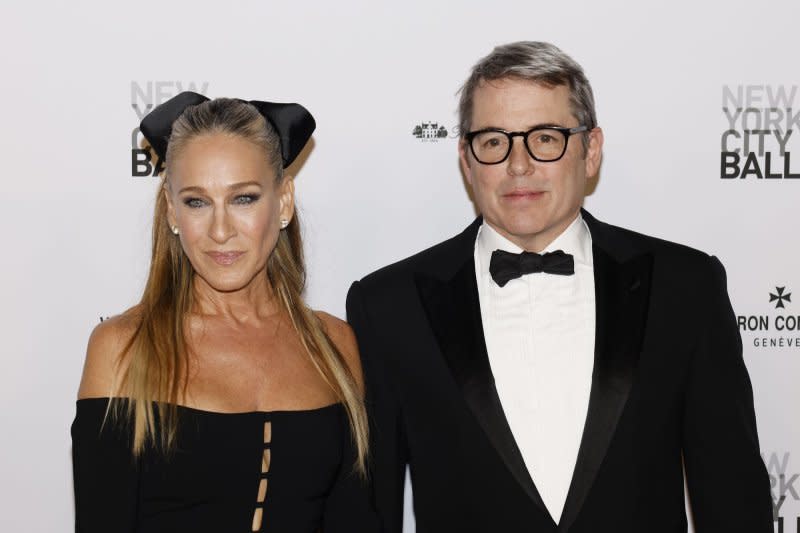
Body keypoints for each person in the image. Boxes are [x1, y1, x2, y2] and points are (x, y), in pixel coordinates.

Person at [346, 41, 773, 532]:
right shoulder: (389, 307)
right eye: (493, 141)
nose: (519, 165)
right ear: (466, 160)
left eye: (545, 138)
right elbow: (369, 511)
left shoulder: (685, 288)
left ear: (590, 151)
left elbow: (733, 497)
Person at [73, 92, 378, 533]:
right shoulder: (123, 349)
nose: (220, 231)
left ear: (284, 201)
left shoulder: (334, 345)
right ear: (172, 211)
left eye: (244, 199)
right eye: (197, 201)